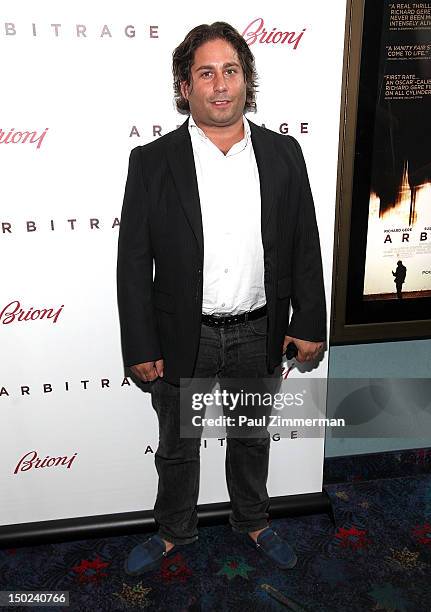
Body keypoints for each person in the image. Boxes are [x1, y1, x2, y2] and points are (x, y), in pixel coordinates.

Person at [117, 21, 326, 575]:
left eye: (230, 70)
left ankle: (253, 521)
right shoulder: (152, 161)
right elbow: (134, 264)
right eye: (205, 73)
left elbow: (306, 243)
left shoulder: (284, 154)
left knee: (252, 438)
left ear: (245, 79)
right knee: (179, 446)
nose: (220, 84)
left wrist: (310, 321)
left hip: (259, 329)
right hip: (184, 336)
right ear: (185, 87)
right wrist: (140, 341)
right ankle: (173, 531)